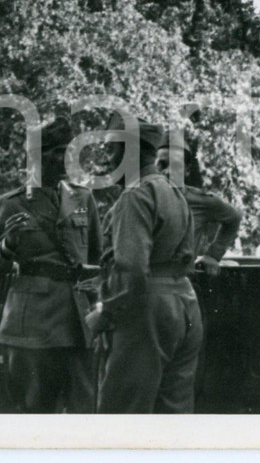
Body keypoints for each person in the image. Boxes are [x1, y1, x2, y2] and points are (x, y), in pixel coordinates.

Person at [0, 117, 103, 413]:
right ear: (34, 157)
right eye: (54, 152)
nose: (64, 159)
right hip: (33, 327)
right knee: (35, 412)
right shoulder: (11, 204)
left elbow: (98, 260)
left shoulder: (82, 199)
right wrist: (9, 245)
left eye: (67, 151)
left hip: (78, 323)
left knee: (85, 411)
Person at [87, 120, 203, 413]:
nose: (107, 160)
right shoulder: (173, 191)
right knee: (173, 415)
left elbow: (133, 269)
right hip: (184, 304)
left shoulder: (135, 195)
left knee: (123, 414)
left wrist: (104, 314)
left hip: (144, 310)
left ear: (132, 152)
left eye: (113, 150)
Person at [156, 128, 241, 276]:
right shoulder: (142, 201)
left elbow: (234, 218)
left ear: (187, 170)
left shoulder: (200, 201)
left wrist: (213, 254)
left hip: (182, 284)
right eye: (162, 165)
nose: (168, 172)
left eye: (176, 166)